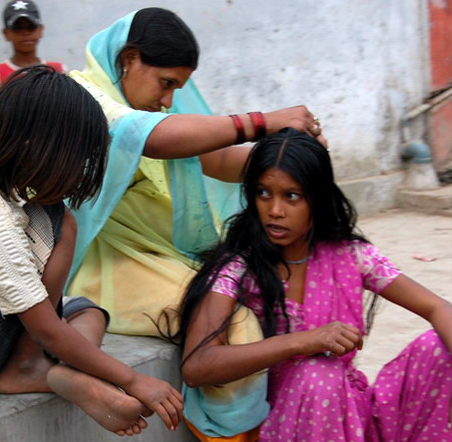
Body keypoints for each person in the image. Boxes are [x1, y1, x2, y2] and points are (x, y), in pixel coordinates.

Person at [171, 129, 452, 442]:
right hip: (285, 441)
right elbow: (198, 365)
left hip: (355, 420)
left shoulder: (351, 256)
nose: (274, 210)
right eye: (263, 193)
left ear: (317, 198)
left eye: (292, 196)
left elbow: (438, 308)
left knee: (440, 348)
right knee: (317, 375)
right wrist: (301, 342)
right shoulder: (240, 268)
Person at [0, 66, 183, 437]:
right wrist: (134, 380)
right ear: (38, 149)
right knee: (61, 225)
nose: (77, 175)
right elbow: (47, 330)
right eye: (75, 161)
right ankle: (27, 367)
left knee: (88, 313)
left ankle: (63, 373)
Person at [65, 8, 325, 339]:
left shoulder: (150, 110)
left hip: (163, 253)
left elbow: (215, 160)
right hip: (103, 265)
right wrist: (260, 123)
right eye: (166, 83)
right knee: (234, 328)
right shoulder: (81, 97)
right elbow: (152, 138)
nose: (168, 100)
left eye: (177, 88)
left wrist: (291, 161)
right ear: (129, 58)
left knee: (268, 291)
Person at [0, 0, 67, 130]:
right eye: (18, 28)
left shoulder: (58, 71)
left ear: (40, 30)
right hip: (11, 146)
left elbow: (70, 115)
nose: (25, 33)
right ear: (6, 33)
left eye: (30, 27)